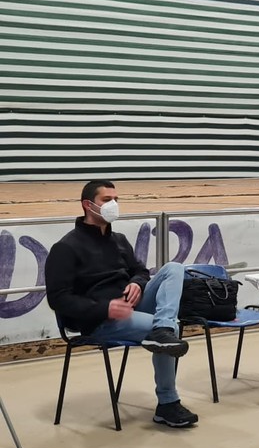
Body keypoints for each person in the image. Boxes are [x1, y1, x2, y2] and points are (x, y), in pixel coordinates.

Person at [44, 180, 199, 428]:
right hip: (100, 321)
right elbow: (58, 298)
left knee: (174, 268)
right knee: (168, 330)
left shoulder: (118, 239)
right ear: (88, 205)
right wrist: (104, 308)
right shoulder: (65, 247)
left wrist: (137, 282)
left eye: (116, 199)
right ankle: (168, 404)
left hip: (131, 307)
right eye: (107, 200)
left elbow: (140, 271)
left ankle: (163, 328)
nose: (113, 204)